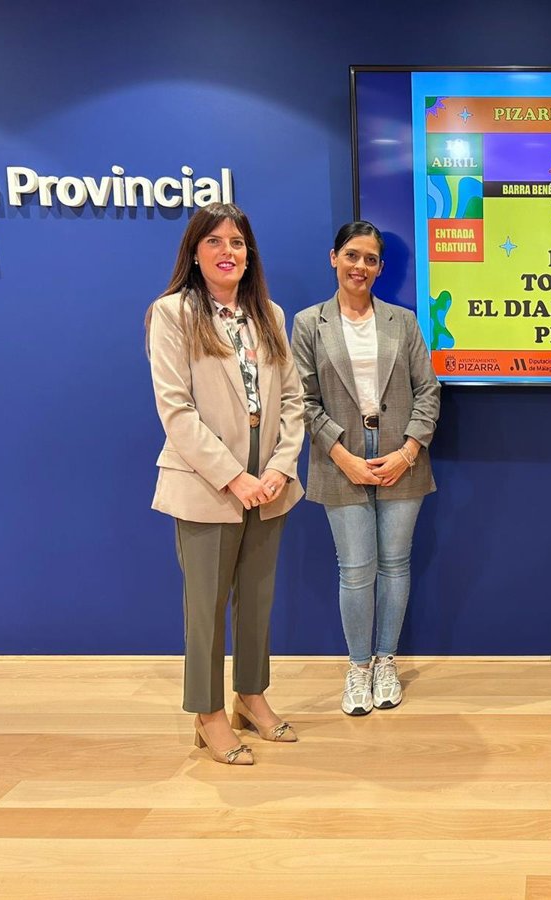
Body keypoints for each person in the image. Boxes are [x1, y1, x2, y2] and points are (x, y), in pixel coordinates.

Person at [146, 202, 305, 765]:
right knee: (207, 607)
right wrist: (236, 478)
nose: (227, 252)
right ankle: (207, 713)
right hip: (208, 483)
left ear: (249, 253)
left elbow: (292, 400)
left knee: (257, 599)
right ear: (194, 252)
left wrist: (280, 467)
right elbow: (176, 410)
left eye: (237, 242)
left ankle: (250, 696)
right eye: (214, 241)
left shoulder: (270, 314)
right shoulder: (172, 313)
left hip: (270, 482)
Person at [292, 221, 440, 716]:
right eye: (352, 255)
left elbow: (428, 391)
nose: (360, 266)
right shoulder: (308, 323)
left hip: (401, 455)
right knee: (356, 570)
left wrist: (408, 452)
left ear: (380, 268)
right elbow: (303, 400)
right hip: (340, 457)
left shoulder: (403, 321)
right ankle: (358, 668)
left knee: (395, 563)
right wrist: (343, 456)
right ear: (334, 257)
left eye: (371, 259)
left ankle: (385, 662)